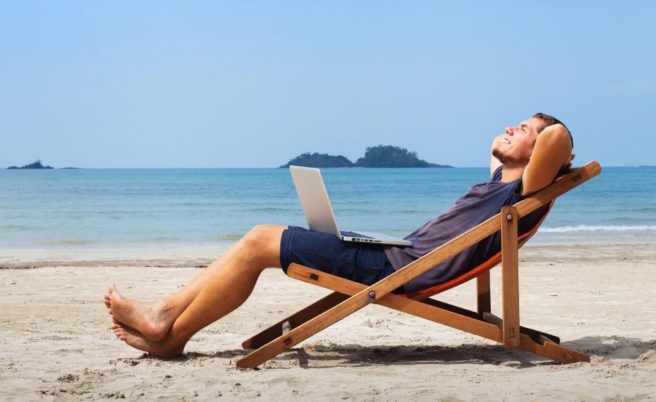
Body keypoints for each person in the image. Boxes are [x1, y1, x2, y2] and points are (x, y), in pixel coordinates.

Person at [104, 113, 575, 357]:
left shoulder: (525, 188)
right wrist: (521, 135)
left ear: (544, 155)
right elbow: (497, 147)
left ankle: (167, 324)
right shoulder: (500, 180)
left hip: (397, 269)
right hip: (396, 255)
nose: (512, 129)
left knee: (259, 241)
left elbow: (554, 141)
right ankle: (167, 323)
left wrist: (549, 134)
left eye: (526, 129)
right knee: (264, 237)